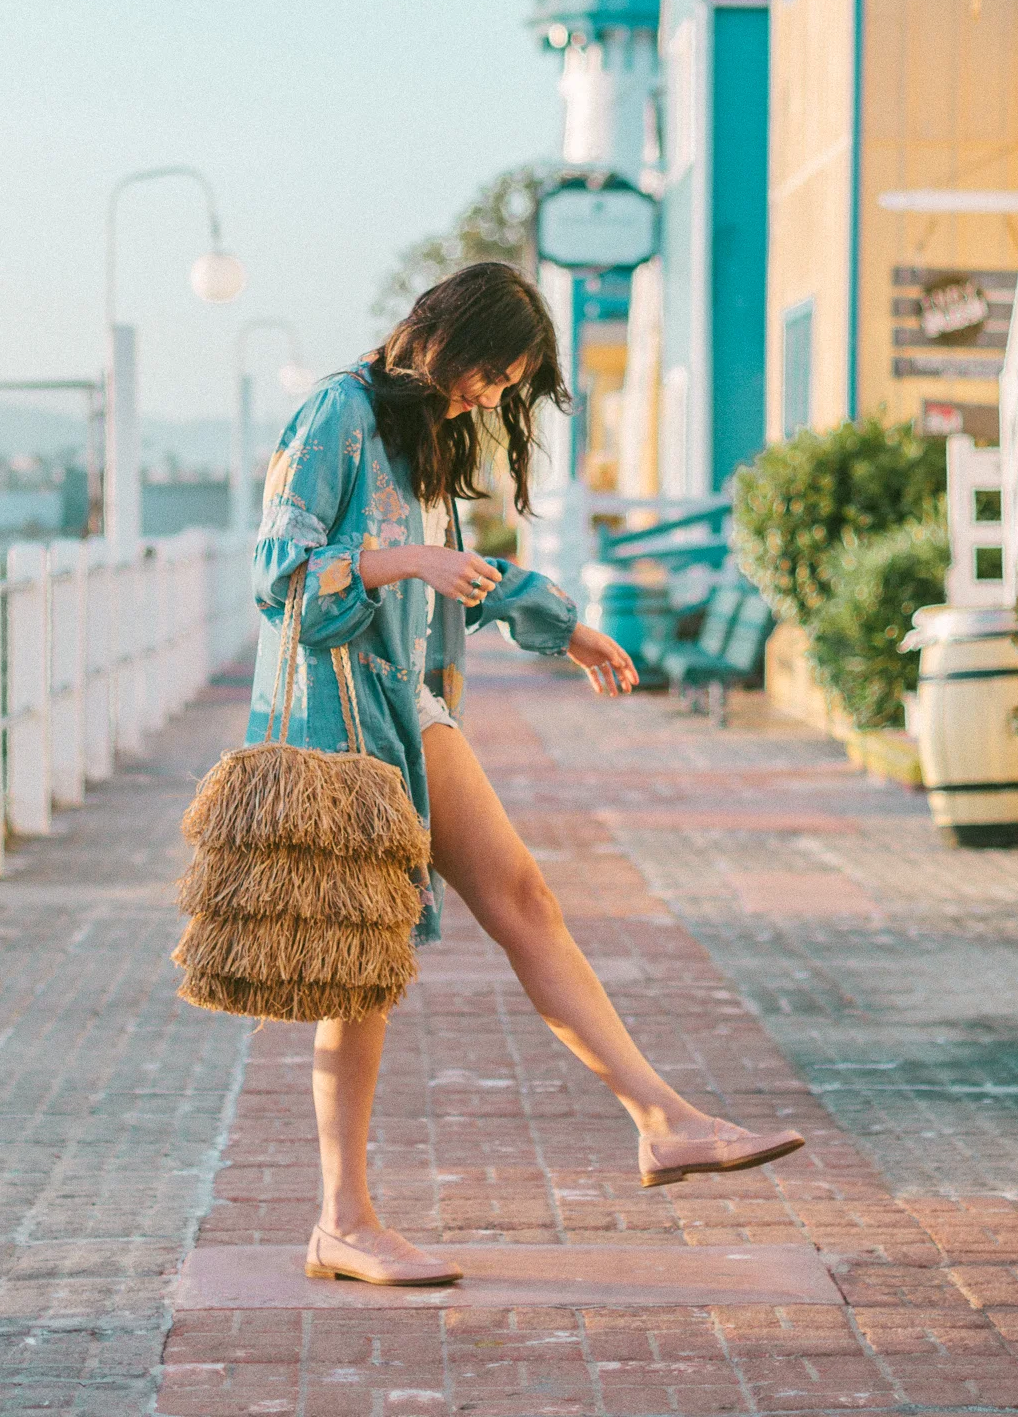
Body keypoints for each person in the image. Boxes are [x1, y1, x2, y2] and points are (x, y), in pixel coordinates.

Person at [248, 261, 803, 1287]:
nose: (493, 396)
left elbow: (462, 574)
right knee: (359, 969)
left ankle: (663, 1119)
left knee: (524, 897)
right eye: (491, 373)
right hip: (343, 721)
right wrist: (399, 563)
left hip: (412, 704)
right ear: (445, 336)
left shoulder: (422, 430)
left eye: (508, 383)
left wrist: (566, 627)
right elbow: (278, 575)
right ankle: (343, 1219)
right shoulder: (335, 411)